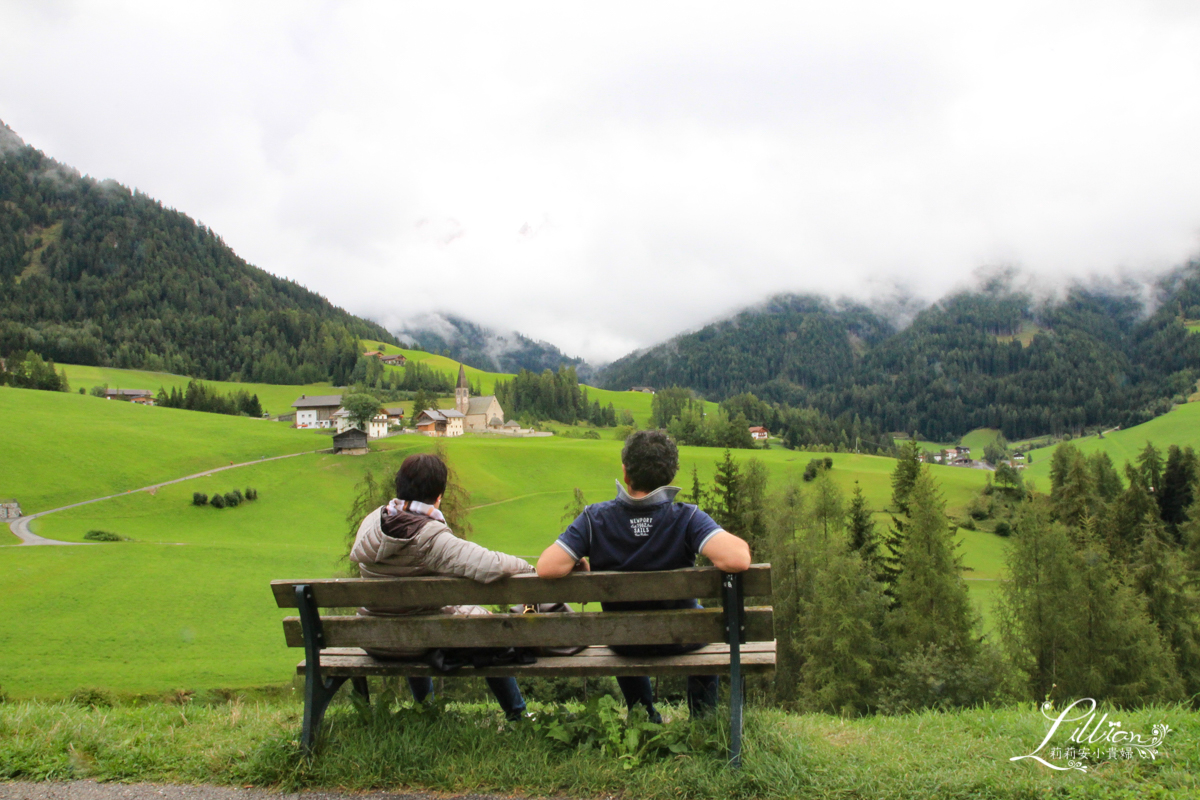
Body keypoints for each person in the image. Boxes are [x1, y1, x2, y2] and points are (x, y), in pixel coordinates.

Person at [535, 430, 751, 722]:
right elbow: (738, 557)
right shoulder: (686, 518)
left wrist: (578, 565)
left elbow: (546, 567)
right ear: (671, 475)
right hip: (683, 637)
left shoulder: (594, 519)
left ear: (625, 473)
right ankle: (703, 719)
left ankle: (644, 715)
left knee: (624, 628)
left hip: (624, 640)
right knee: (705, 626)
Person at [349, 452, 534, 720]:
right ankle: (518, 715)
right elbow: (489, 565)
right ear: (439, 495)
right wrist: (530, 569)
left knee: (414, 618)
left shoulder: (371, 523)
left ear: (399, 486)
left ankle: (426, 711)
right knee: (487, 628)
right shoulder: (430, 537)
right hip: (417, 640)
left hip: (374, 637)